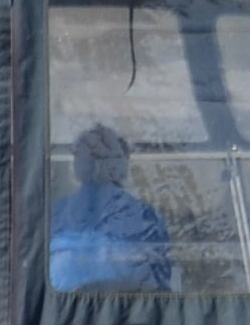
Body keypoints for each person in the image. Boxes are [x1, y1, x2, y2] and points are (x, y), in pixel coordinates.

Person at [47, 122, 176, 294]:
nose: (93, 163)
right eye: (84, 155)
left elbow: (157, 284)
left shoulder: (145, 218)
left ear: (120, 165)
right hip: (61, 307)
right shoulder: (56, 213)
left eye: (100, 157)